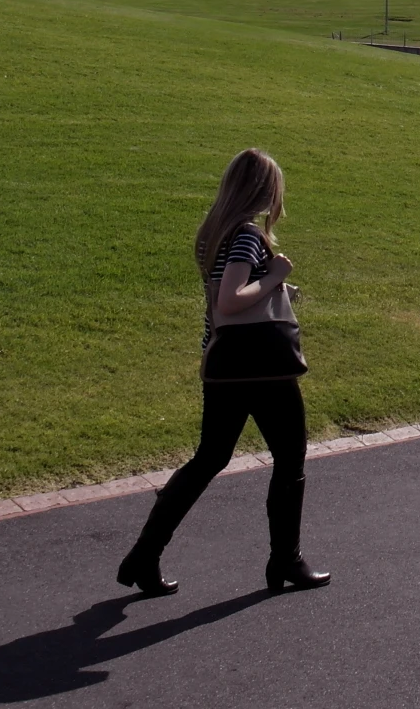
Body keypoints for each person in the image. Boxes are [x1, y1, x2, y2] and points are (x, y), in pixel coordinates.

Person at [117, 147, 331, 596]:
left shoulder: (213, 231)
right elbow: (231, 299)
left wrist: (274, 285)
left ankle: (144, 555)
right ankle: (286, 560)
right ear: (264, 190)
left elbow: (226, 293)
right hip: (264, 370)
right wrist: (275, 275)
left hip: (225, 366)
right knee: (290, 459)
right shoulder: (249, 234)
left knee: (208, 459)